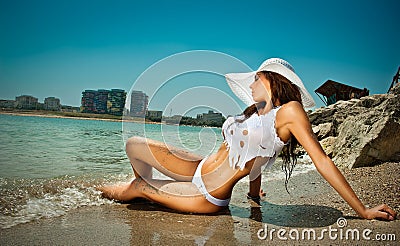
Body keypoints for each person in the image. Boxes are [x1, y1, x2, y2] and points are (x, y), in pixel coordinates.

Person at [99, 58, 396, 220]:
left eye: (257, 77)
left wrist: (363, 211)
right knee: (134, 145)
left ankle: (137, 192)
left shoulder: (289, 112)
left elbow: (322, 160)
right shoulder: (255, 111)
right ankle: (152, 194)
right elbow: (253, 157)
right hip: (199, 167)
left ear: (273, 80)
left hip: (208, 195)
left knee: (139, 184)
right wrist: (254, 193)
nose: (252, 83)